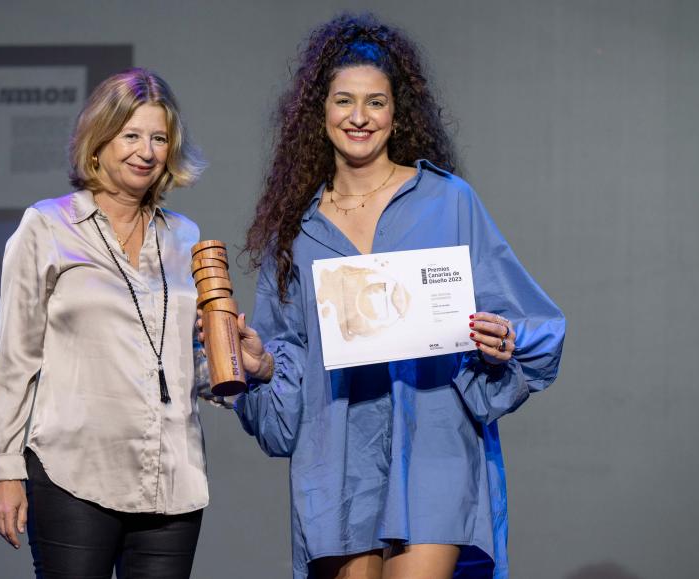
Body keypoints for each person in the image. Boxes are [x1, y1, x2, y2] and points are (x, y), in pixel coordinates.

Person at [221, 13, 565, 579]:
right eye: (344, 101)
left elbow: (524, 320)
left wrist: (501, 340)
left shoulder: (447, 200)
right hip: (337, 456)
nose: (359, 117)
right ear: (319, 113)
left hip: (432, 443)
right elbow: (287, 361)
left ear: (397, 113)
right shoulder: (296, 229)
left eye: (375, 102)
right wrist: (262, 368)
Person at [0, 68, 211, 579]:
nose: (146, 152)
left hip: (171, 480)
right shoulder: (47, 226)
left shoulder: (185, 237)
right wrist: (5, 470)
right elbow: (16, 360)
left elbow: (187, 363)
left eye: (159, 138)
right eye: (131, 136)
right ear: (98, 142)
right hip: (75, 474)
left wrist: (241, 364)